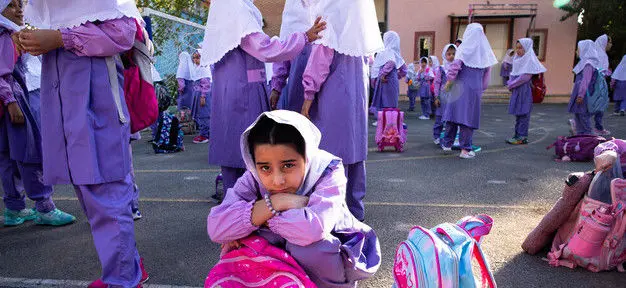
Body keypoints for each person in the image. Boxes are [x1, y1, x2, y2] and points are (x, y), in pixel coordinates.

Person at [21, 1, 149, 286]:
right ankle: (128, 266)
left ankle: (123, 278)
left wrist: (59, 38)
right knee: (90, 189)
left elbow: (123, 33)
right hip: (69, 105)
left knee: (106, 191)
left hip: (96, 106)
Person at [207, 110, 381, 287]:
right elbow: (216, 227)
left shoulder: (328, 171)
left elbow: (313, 230)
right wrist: (277, 202)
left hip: (330, 253)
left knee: (310, 248)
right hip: (284, 247)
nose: (277, 181)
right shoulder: (253, 177)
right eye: (265, 168)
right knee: (239, 241)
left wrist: (258, 218)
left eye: (288, 165)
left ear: (307, 156)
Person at [200, 0, 326, 193]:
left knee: (235, 156)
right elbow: (266, 49)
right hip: (243, 94)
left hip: (233, 91)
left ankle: (234, 209)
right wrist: (304, 37)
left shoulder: (226, 8)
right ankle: (246, 212)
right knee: (248, 153)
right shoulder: (236, 8)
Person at [295, 0, 384, 221]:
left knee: (333, 157)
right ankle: (355, 212)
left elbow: (318, 65)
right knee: (354, 156)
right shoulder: (360, 31)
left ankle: (336, 214)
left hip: (332, 101)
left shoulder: (331, 21)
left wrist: (308, 96)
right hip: (357, 103)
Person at [0, 0, 75, 227]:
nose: (20, 9)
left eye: (20, 3)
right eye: (11, 5)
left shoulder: (14, 32)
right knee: (29, 154)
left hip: (12, 102)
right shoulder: (6, 36)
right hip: (18, 101)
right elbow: (3, 74)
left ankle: (14, 208)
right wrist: (11, 101)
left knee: (8, 157)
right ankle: (44, 206)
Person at [442, 23, 497, 159]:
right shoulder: (484, 52)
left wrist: (449, 81)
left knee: (452, 116)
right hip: (474, 90)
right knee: (467, 119)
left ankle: (447, 144)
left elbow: (454, 67)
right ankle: (465, 149)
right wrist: (481, 89)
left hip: (458, 87)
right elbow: (486, 76)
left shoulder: (463, 49)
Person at [506, 38, 546, 145]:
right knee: (518, 113)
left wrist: (512, 84)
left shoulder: (529, 60)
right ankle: (517, 134)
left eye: (521, 48)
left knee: (523, 113)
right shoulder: (517, 58)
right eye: (517, 48)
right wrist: (510, 82)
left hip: (524, 90)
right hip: (517, 90)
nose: (518, 50)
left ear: (527, 48)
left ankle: (522, 136)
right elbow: (513, 73)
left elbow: (525, 77)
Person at [369, 31, 406, 119]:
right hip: (392, 81)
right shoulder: (396, 54)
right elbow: (404, 70)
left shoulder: (387, 52)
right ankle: (390, 123)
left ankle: (385, 123)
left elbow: (391, 62)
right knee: (391, 102)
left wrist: (383, 74)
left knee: (383, 101)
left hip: (385, 81)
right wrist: (395, 76)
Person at [569, 40, 600, 136]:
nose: (577, 51)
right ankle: (580, 136)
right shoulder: (585, 63)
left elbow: (585, 81)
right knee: (578, 114)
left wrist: (580, 95)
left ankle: (588, 136)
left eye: (578, 49)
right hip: (582, 93)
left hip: (584, 94)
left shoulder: (588, 64)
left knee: (583, 115)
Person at [432, 44, 456, 145]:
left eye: (454, 54)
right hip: (443, 97)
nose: (451, 56)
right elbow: (437, 83)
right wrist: (436, 96)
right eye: (449, 54)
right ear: (444, 55)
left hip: (454, 97)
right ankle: (437, 136)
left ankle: (449, 138)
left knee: (451, 120)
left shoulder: (457, 68)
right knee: (439, 118)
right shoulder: (441, 69)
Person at [189, 49, 211, 144]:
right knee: (201, 114)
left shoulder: (203, 68)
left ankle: (205, 135)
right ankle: (204, 133)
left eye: (198, 57)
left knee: (204, 114)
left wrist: (203, 96)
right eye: (193, 58)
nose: (195, 60)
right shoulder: (197, 69)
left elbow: (206, 85)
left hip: (203, 95)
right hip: (198, 95)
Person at [592, 34, 612, 136]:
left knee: (591, 104)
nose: (611, 45)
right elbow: (600, 71)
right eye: (610, 42)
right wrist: (607, 73)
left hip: (593, 83)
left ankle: (577, 122)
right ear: (605, 42)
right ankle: (598, 127)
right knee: (599, 105)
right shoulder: (602, 55)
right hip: (599, 84)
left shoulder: (594, 53)